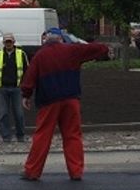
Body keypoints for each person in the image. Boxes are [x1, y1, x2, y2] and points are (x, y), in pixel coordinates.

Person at [19, 27, 112, 181]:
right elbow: (94, 49)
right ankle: (76, 172)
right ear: (61, 38)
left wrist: (26, 95)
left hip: (49, 100)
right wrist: (105, 49)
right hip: (71, 98)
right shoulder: (72, 50)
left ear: (45, 39)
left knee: (43, 136)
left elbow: (29, 78)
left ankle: (32, 171)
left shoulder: (40, 55)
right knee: (72, 135)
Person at [0, 33, 27, 143]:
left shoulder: (21, 54)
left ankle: (20, 135)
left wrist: (24, 85)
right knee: (4, 114)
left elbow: (27, 70)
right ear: (3, 43)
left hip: (17, 88)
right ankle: (6, 136)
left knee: (19, 114)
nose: (8, 44)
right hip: (3, 88)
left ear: (13, 42)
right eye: (6, 42)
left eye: (10, 42)